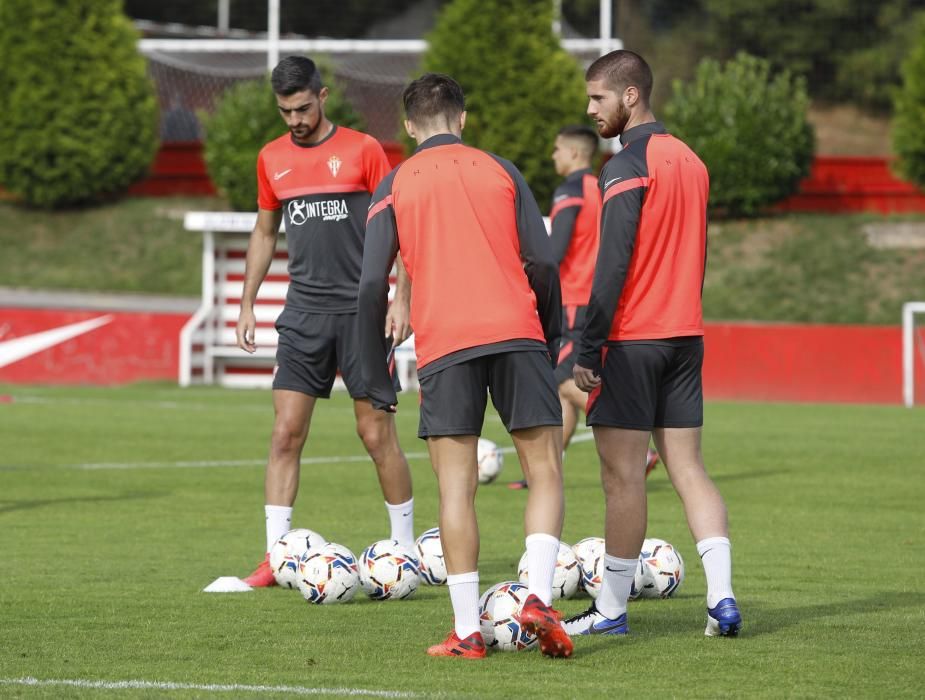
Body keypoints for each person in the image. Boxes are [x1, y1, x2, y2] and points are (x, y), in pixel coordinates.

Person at [358, 73, 573, 659]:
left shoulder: (396, 182)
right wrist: (552, 335)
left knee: (456, 490)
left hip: (445, 345)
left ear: (408, 127)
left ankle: (466, 632)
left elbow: (373, 280)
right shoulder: (501, 170)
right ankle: (535, 595)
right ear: (464, 118)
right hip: (517, 331)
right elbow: (543, 261)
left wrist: (371, 367)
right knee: (546, 470)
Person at [563, 50, 742, 638]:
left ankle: (611, 611)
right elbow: (700, 256)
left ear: (630, 96)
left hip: (632, 340)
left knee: (622, 478)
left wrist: (588, 349)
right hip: (685, 335)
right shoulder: (691, 160)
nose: (590, 109)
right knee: (688, 467)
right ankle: (722, 599)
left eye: (598, 98)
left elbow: (610, 266)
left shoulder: (624, 166)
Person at [235, 56, 415, 587]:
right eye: (285, 110)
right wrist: (248, 302)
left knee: (375, 432)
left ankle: (403, 550)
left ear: (323, 96)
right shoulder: (271, 159)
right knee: (285, 434)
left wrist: (402, 296)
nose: (294, 119)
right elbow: (265, 232)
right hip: (303, 315)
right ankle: (274, 557)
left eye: (302, 107)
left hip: (363, 312)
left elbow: (399, 226)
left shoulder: (365, 151)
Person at [508, 125, 658, 490]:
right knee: (562, 392)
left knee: (563, 378)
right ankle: (543, 473)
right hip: (598, 298)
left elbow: (552, 253)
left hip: (574, 301)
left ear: (575, 153)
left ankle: (638, 446)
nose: (553, 156)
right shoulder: (600, 186)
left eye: (557, 149)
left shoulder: (570, 190)